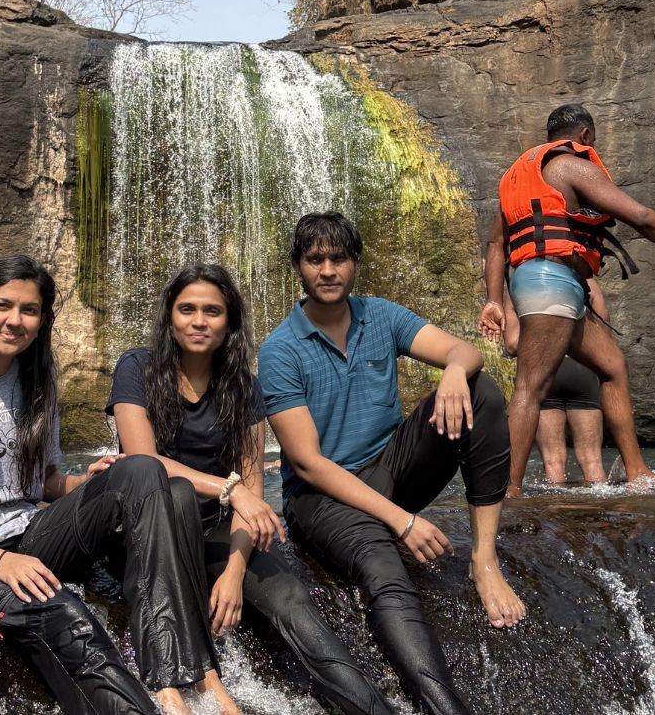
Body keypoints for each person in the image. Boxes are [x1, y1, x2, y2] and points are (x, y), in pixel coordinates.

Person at [0, 255, 235, 715]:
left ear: (43, 319)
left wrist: (84, 484)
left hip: (25, 537)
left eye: (29, 310)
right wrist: (0, 562)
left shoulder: (37, 378)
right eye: (2, 306)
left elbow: (40, 482)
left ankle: (172, 679)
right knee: (61, 608)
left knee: (143, 471)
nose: (14, 321)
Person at [259, 212, 524, 715]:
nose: (328, 270)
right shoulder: (280, 350)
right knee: (382, 564)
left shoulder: (379, 316)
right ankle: (444, 707)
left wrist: (452, 373)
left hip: (387, 469)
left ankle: (484, 561)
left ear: (354, 263)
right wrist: (400, 520)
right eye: (315, 260)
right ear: (298, 267)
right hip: (320, 498)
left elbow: (463, 351)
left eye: (338, 258)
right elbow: (309, 464)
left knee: (480, 391)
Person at [110, 264, 396, 715]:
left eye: (212, 311)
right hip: (154, 534)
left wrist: (235, 572)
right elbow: (144, 462)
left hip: (221, 534)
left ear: (230, 323)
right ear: (169, 317)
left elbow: (254, 494)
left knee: (294, 603)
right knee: (177, 496)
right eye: (187, 310)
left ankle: (372, 708)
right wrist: (231, 491)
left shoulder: (244, 387)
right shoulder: (137, 368)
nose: (199, 321)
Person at [479, 103, 655, 498]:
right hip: (551, 280)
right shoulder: (571, 166)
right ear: (585, 137)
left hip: (542, 282)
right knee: (531, 385)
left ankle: (637, 473)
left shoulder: (515, 177)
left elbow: (496, 242)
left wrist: (494, 300)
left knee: (612, 366)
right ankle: (506, 491)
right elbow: (642, 217)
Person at [491, 284, 607, 484]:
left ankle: (555, 513)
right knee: (593, 461)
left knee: (553, 462)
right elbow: (604, 336)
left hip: (544, 372)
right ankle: (599, 513)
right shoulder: (587, 281)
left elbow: (511, 344)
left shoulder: (519, 285)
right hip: (582, 370)